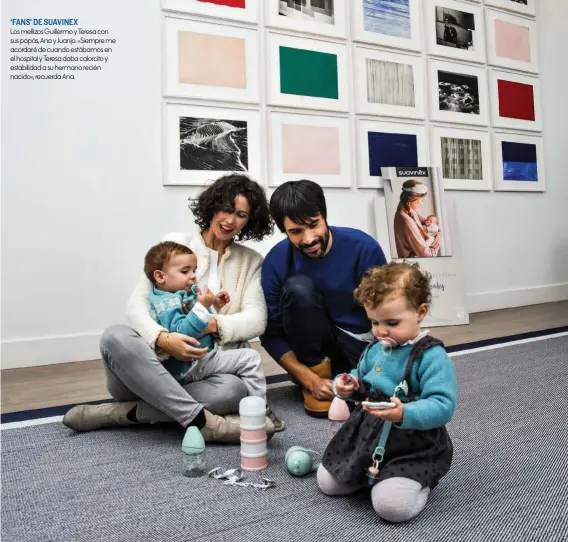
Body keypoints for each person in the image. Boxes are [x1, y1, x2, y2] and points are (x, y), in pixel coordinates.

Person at [63, 174, 283, 442]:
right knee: (114, 336)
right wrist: (163, 339)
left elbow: (256, 320)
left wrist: (211, 324)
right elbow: (136, 303)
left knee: (233, 391)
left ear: (250, 220)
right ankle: (203, 421)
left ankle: (121, 414)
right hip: (149, 370)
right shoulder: (175, 244)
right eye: (225, 208)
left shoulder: (251, 261)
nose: (229, 220)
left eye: (240, 214)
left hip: (200, 372)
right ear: (213, 206)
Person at [317, 261, 457, 523]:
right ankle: (370, 474)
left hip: (411, 443)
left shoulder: (431, 356)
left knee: (391, 508)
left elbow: (443, 405)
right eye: (374, 321)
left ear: (420, 312)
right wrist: (346, 384)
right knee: (327, 482)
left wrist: (405, 412)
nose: (381, 331)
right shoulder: (376, 348)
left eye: (391, 322)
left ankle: (419, 481)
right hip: (366, 433)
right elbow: (362, 378)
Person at [260, 180, 387, 418]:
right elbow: (271, 334)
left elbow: (389, 312)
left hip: (361, 346)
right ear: (284, 231)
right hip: (313, 351)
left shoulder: (363, 247)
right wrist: (309, 379)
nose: (308, 238)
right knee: (298, 288)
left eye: (313, 225)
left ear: (324, 216)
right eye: (296, 231)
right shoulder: (275, 262)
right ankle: (318, 378)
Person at [145, 241, 266, 401]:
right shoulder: (166, 303)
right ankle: (258, 409)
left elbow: (196, 319)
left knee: (241, 344)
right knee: (251, 358)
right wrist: (202, 306)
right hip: (190, 366)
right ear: (160, 276)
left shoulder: (178, 293)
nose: (193, 275)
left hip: (203, 355)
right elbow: (181, 332)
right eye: (185, 271)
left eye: (193, 270)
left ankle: (242, 398)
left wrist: (214, 305)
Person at [393, 180, 441, 258]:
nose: (422, 202)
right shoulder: (406, 220)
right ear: (411, 198)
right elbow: (427, 256)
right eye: (422, 200)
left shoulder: (406, 207)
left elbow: (427, 222)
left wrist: (438, 233)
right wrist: (437, 242)